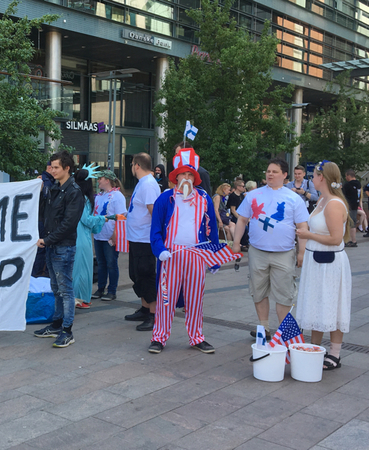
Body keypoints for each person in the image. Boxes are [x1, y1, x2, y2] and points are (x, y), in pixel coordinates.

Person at [148, 146, 220, 354]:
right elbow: (155, 231)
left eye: (190, 174)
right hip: (170, 255)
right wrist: (159, 249)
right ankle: (159, 337)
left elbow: (211, 230)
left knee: (196, 298)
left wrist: (213, 257)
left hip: (196, 255)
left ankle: (197, 336)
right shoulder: (165, 198)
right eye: (183, 174)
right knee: (165, 298)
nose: (187, 177)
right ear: (176, 177)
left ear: (195, 177)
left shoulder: (204, 199)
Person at [232, 159, 309, 338]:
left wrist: (302, 252)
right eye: (268, 171)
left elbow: (302, 226)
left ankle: (283, 331)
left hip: (284, 253)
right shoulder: (253, 195)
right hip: (257, 251)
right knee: (258, 290)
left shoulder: (293, 198)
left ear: (284, 175)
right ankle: (263, 327)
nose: (270, 174)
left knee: (284, 294)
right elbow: (242, 220)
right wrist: (236, 244)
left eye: (275, 171)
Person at [295, 161, 351, 371]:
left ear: (322, 178)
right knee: (315, 304)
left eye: (315, 175)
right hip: (315, 260)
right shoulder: (321, 201)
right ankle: (314, 348)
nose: (312, 178)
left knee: (332, 305)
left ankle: (334, 353)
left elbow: (336, 238)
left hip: (330, 262)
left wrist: (308, 235)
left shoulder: (334, 204)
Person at [34, 151, 84, 348]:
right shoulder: (55, 188)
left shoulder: (74, 191)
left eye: (56, 167)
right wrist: (38, 193)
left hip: (63, 247)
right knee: (55, 287)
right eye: (51, 167)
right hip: (52, 246)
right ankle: (56, 324)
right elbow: (44, 214)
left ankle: (67, 330)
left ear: (67, 168)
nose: (51, 170)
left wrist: (47, 240)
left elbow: (69, 224)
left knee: (65, 289)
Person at [123, 153, 161, 331]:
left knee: (146, 275)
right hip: (136, 237)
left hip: (144, 239)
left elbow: (154, 212)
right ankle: (145, 309)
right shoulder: (142, 183)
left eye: (132, 165)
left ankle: (153, 315)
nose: (131, 168)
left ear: (136, 165)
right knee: (136, 274)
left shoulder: (148, 185)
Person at [72, 168, 106, 309]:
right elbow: (86, 219)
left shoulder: (75, 196)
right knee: (82, 269)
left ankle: (81, 298)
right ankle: (80, 299)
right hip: (82, 237)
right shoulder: (84, 198)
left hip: (77, 235)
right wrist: (102, 218)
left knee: (80, 268)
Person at [91, 170, 127, 302]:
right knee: (101, 263)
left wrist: (115, 234)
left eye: (100, 178)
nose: (98, 181)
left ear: (107, 180)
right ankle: (100, 288)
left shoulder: (117, 196)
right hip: (99, 235)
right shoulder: (99, 196)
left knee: (111, 263)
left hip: (110, 235)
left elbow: (121, 216)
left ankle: (112, 290)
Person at [32, 161, 54, 277]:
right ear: (50, 168)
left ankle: (37, 273)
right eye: (54, 168)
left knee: (40, 249)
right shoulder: (46, 182)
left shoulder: (42, 181)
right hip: (43, 220)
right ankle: (39, 274)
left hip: (40, 219)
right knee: (42, 249)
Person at [342, 169, 361, 247]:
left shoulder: (347, 185)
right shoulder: (358, 184)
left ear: (349, 176)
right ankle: (352, 240)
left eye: (346, 176)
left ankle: (352, 240)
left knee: (350, 223)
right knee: (352, 222)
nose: (346, 178)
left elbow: (343, 195)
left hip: (348, 205)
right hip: (355, 205)